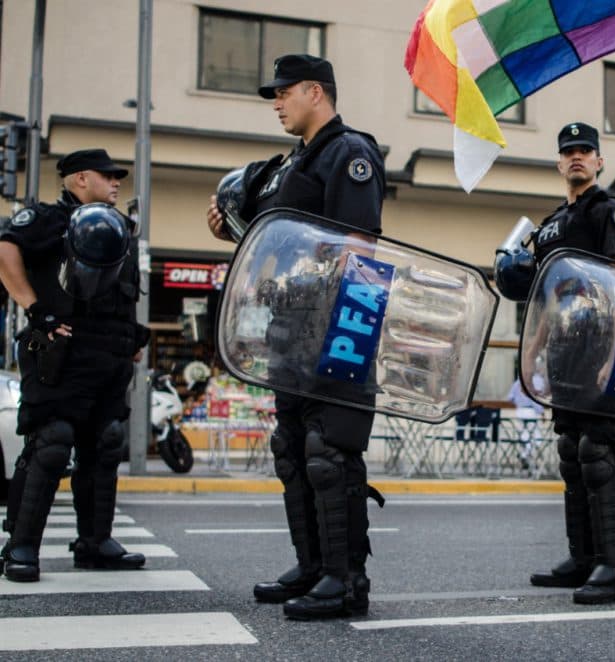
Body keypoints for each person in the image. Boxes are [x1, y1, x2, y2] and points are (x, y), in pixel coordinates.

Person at [206, 54, 386, 620]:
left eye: (283, 93)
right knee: (292, 450)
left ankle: (345, 578)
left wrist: (338, 330)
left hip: (333, 324)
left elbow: (359, 246)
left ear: (316, 91)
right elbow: (271, 242)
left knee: (328, 452)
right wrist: (228, 228)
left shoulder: (348, 153)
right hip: (290, 327)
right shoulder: (290, 165)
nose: (277, 103)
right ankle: (312, 565)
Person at [0, 149, 149, 582]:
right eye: (107, 176)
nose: (116, 182)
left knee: (106, 441)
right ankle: (21, 546)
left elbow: (121, 292)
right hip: (62, 354)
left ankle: (95, 542)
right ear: (80, 179)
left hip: (107, 357)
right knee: (52, 442)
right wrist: (35, 310)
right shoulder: (50, 219)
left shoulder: (119, 226)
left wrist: (131, 337)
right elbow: (6, 250)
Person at [526, 122, 615, 604]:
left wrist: (614, 354)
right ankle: (582, 558)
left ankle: (612, 568)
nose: (577, 157)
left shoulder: (608, 212)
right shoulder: (552, 223)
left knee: (600, 454)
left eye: (585, 151)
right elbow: (553, 296)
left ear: (599, 161)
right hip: (563, 352)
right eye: (568, 151)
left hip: (599, 347)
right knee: (573, 454)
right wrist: (532, 349)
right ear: (558, 162)